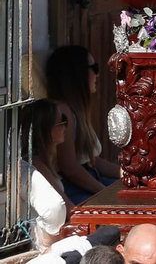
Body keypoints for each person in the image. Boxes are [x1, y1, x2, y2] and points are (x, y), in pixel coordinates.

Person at [43, 46, 116, 204]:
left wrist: (126, 173)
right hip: (73, 188)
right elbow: (70, 168)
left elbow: (91, 160)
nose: (97, 74)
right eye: (94, 68)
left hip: (88, 179)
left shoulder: (75, 111)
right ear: (77, 74)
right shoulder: (62, 111)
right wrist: (104, 193)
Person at [27, 99, 68, 249]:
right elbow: (66, 207)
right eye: (62, 122)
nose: (65, 127)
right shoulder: (37, 165)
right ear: (47, 130)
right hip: (46, 243)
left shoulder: (45, 161)